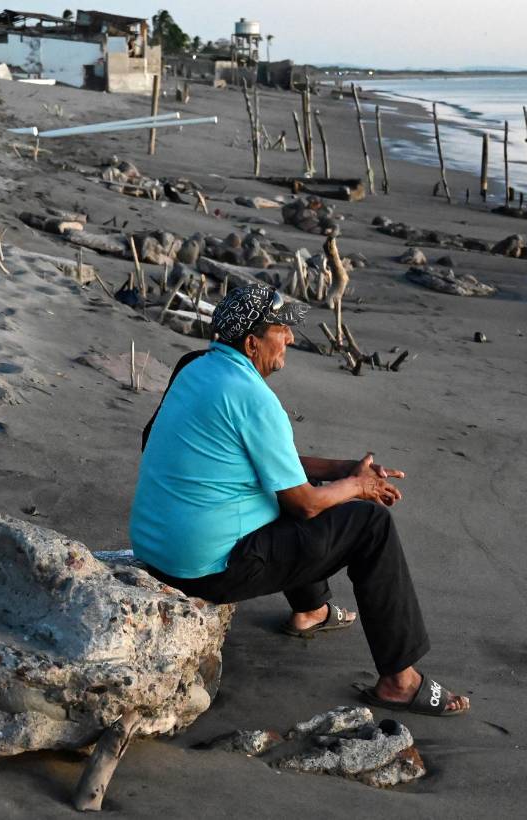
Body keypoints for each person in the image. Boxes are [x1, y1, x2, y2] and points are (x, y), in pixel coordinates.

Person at [130, 284, 469, 715]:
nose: (289, 337)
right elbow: (305, 504)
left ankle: (311, 610)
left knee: (275, 497)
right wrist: (360, 488)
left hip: (155, 548)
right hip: (203, 571)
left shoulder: (194, 366)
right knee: (369, 524)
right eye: (280, 328)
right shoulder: (254, 399)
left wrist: (345, 469)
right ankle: (400, 681)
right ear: (252, 343)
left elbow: (172, 443)